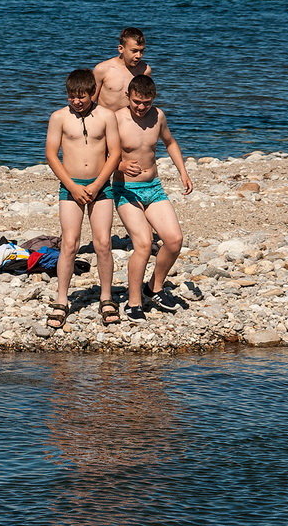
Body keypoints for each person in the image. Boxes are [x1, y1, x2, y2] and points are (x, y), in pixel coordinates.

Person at [44, 68, 122, 329]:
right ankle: (62, 298)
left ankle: (107, 297)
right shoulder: (59, 117)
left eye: (82, 97)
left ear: (92, 93)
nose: (77, 101)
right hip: (71, 186)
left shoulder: (106, 116)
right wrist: (72, 187)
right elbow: (52, 155)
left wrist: (99, 183)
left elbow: (115, 153)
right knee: (70, 242)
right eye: (72, 97)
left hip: (101, 186)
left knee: (102, 243)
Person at [113, 75, 193, 320]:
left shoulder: (157, 116)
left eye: (146, 102)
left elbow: (169, 142)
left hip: (153, 187)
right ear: (128, 96)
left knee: (174, 240)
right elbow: (102, 155)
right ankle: (133, 301)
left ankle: (154, 287)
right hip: (126, 189)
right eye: (137, 101)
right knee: (144, 245)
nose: (141, 107)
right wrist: (121, 165)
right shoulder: (116, 119)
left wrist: (183, 171)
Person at [93, 27, 152, 112]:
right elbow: (90, 101)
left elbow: (146, 99)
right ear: (121, 49)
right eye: (134, 51)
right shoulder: (102, 69)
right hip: (105, 120)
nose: (139, 56)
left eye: (141, 51)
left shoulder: (145, 70)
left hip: (128, 121)